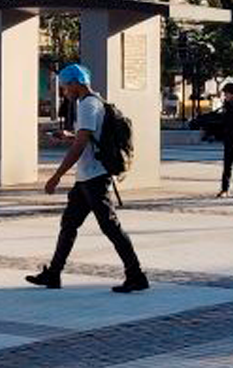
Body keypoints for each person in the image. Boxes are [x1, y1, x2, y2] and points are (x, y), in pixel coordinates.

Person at [26, 63, 148, 293]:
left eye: (64, 86)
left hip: (94, 177)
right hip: (86, 178)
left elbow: (81, 145)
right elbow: (86, 137)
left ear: (75, 83)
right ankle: (53, 274)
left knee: (110, 227)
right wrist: (68, 137)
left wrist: (56, 176)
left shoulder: (88, 105)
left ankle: (136, 275)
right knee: (69, 224)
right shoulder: (92, 103)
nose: (64, 91)